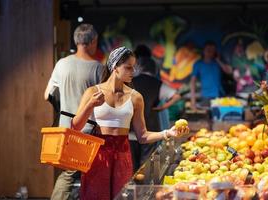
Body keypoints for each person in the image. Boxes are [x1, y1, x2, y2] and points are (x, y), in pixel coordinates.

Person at [71, 46, 189, 200]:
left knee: (122, 196)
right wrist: (90, 105)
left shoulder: (135, 97)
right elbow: (75, 126)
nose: (133, 71)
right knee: (95, 195)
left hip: (122, 153)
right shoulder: (93, 92)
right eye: (128, 67)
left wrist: (168, 133)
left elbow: (143, 136)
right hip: (97, 153)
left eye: (134, 67)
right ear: (114, 67)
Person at [44, 23, 103, 200]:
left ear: (75, 40)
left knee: (68, 174)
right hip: (89, 130)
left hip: (66, 129)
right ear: (93, 41)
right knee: (90, 176)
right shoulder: (97, 68)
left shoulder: (61, 64)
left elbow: (47, 95)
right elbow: (103, 102)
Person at [130, 44, 181, 172]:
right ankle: (143, 189)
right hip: (149, 130)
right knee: (145, 166)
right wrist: (162, 107)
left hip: (129, 130)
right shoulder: (157, 84)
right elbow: (176, 96)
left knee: (130, 165)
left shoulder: (130, 82)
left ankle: (128, 190)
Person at [190, 41, 232, 111]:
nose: (210, 52)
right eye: (208, 50)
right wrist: (193, 100)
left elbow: (229, 71)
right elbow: (192, 82)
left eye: (212, 51)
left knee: (218, 118)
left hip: (219, 96)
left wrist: (218, 60)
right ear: (204, 51)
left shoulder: (217, 63)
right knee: (206, 118)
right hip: (205, 96)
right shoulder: (198, 64)